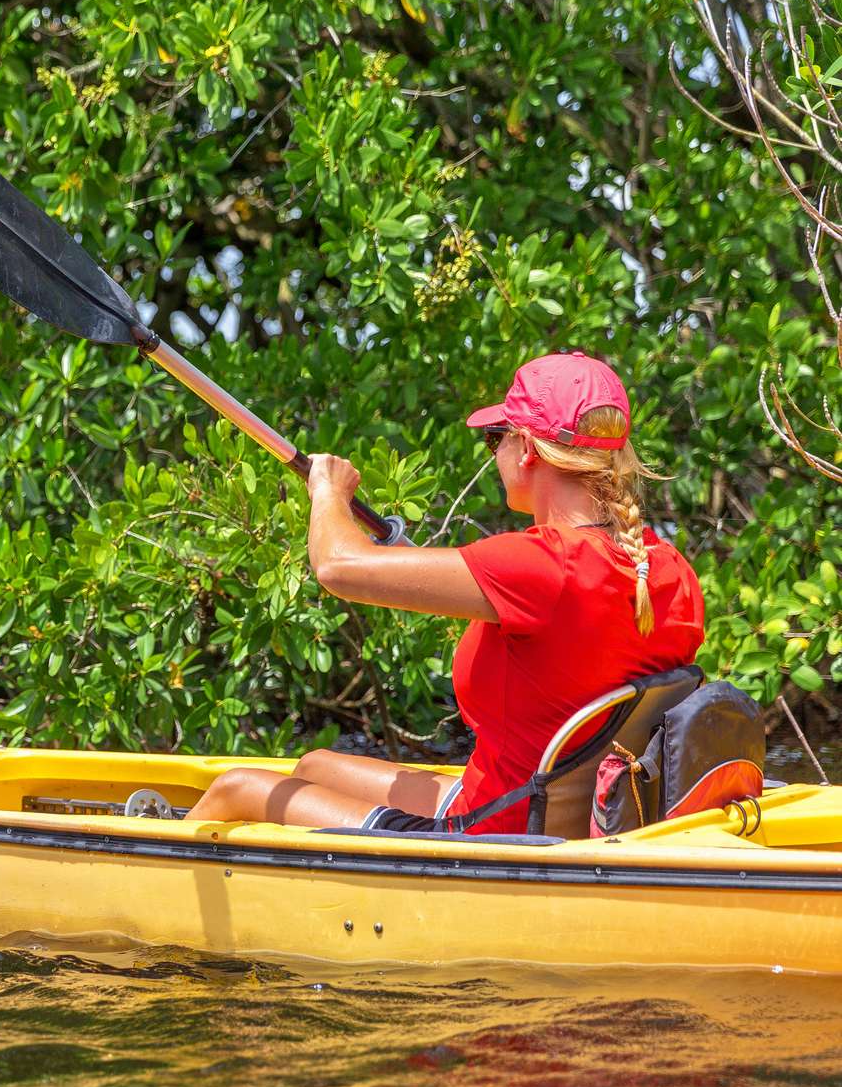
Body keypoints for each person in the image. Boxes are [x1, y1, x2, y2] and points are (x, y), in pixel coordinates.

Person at [186, 352, 705, 833]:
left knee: (237, 789)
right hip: (556, 814)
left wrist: (327, 490)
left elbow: (336, 566)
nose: (494, 450)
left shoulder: (541, 564)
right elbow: (562, 642)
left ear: (526, 448)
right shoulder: (665, 568)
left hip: (488, 835)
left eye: (495, 438)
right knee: (313, 766)